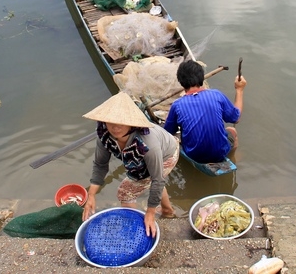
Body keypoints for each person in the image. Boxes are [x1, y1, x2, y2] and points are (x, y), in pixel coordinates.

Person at [82, 92, 179, 238]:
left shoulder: (147, 142)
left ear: (132, 122)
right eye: (111, 121)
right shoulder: (104, 135)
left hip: (167, 154)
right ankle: (167, 211)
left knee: (125, 192)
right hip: (159, 149)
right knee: (151, 178)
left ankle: (133, 230)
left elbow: (158, 179)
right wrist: (91, 194)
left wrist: (150, 212)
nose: (115, 127)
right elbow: (100, 165)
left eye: (122, 121)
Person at [163, 60, 247, 164]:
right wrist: (239, 90)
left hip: (193, 155)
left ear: (181, 82)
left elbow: (167, 133)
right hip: (219, 153)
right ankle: (232, 157)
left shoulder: (177, 105)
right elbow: (236, 118)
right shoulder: (216, 95)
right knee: (232, 131)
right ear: (202, 78)